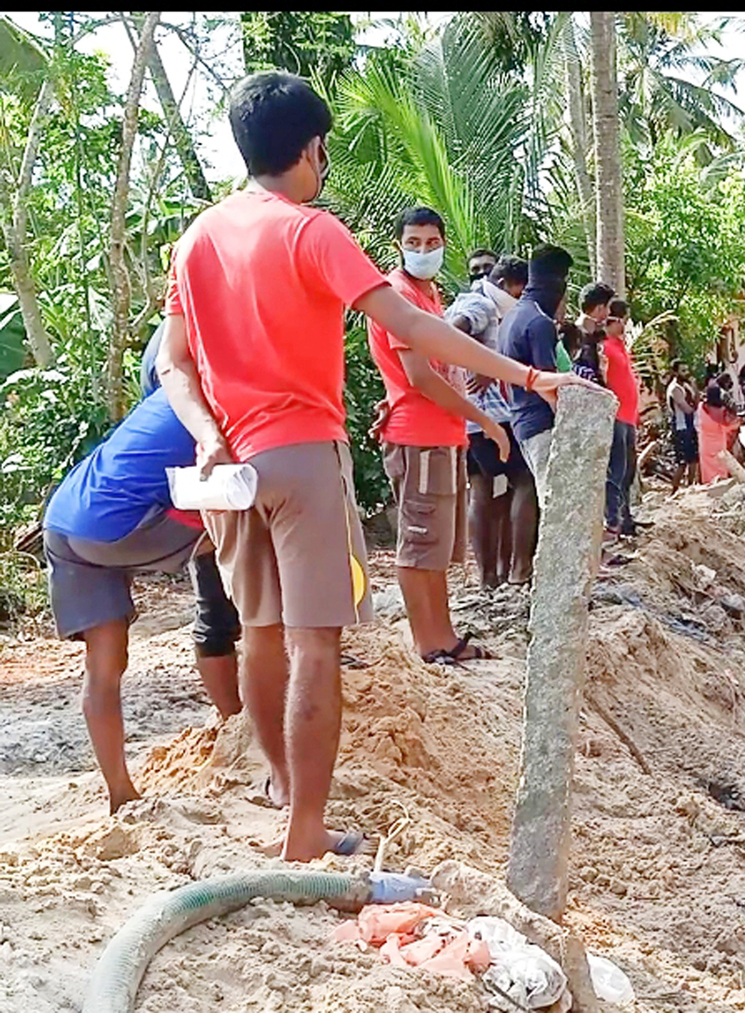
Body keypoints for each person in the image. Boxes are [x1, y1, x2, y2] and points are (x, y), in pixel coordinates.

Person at [156, 70, 594, 861]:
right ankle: (305, 830)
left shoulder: (195, 240)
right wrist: (528, 377)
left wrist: (207, 433)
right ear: (311, 150)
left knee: (259, 633)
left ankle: (283, 785)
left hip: (226, 463)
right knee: (314, 641)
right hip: (300, 453)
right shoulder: (311, 231)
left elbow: (174, 369)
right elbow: (414, 332)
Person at [45, 330, 243, 814]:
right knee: (244, 522)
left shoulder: (160, 393)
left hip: (65, 521)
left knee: (104, 669)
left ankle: (121, 793)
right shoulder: (219, 403)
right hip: (120, 524)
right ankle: (253, 728)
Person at [367, 206, 505, 664]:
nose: (423, 251)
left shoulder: (429, 296)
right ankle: (428, 643)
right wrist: (482, 419)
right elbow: (420, 377)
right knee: (421, 543)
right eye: (414, 242)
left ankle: (442, 634)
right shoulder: (398, 296)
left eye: (431, 242)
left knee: (438, 548)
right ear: (398, 246)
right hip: (420, 435)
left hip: (441, 435)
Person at [447, 255, 533, 588]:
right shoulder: (480, 304)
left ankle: (492, 577)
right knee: (523, 483)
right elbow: (452, 334)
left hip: (473, 416)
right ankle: (514, 571)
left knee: (488, 493)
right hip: (491, 416)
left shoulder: (472, 302)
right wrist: (482, 364)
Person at [499, 245, 576, 485]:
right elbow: (547, 383)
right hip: (543, 425)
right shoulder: (539, 323)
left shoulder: (512, 316)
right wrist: (568, 428)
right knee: (556, 505)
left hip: (521, 421)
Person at [600, 301, 643, 538]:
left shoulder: (621, 347)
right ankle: (613, 520)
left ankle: (626, 518)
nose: (625, 324)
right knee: (616, 471)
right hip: (615, 416)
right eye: (622, 319)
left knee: (628, 471)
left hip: (629, 417)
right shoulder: (604, 348)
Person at [696, 385, 743, 484]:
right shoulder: (720, 410)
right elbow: (728, 425)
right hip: (718, 443)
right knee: (720, 467)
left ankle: (708, 484)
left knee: (707, 468)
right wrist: (738, 421)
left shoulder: (701, 406)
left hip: (705, 443)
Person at [666, 360, 700, 489]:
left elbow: (695, 401)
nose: (686, 373)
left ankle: (690, 487)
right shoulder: (675, 388)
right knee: (682, 462)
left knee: (693, 459)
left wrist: (695, 388)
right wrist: (695, 406)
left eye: (687, 370)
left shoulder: (686, 385)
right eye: (683, 371)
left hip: (690, 426)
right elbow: (687, 408)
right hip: (681, 427)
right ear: (675, 372)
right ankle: (674, 488)